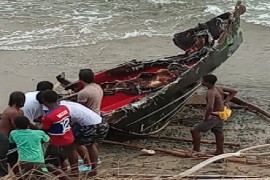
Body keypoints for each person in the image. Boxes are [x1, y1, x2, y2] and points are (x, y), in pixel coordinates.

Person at [190, 74, 237, 156]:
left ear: (207, 83)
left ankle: (196, 150)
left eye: (202, 81)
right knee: (218, 131)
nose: (201, 82)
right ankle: (219, 151)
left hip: (214, 116)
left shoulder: (210, 92)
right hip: (221, 114)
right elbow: (233, 91)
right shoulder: (218, 87)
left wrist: (206, 116)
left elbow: (210, 107)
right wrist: (226, 101)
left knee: (195, 130)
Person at [60, 100, 109, 175]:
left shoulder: (60, 109)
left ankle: (74, 171)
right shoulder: (68, 103)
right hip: (101, 122)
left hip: (88, 125)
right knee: (91, 145)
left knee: (71, 146)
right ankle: (94, 169)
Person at [41, 90, 77, 177]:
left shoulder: (48, 116)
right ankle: (75, 174)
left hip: (58, 143)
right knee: (63, 158)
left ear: (44, 101)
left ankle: (64, 178)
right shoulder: (64, 108)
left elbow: (44, 130)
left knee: (49, 164)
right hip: (69, 138)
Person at [0, 91, 25, 177]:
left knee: (13, 159)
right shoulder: (13, 112)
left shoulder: (18, 111)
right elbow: (19, 126)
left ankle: (18, 176)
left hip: (11, 138)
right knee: (5, 160)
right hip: (5, 139)